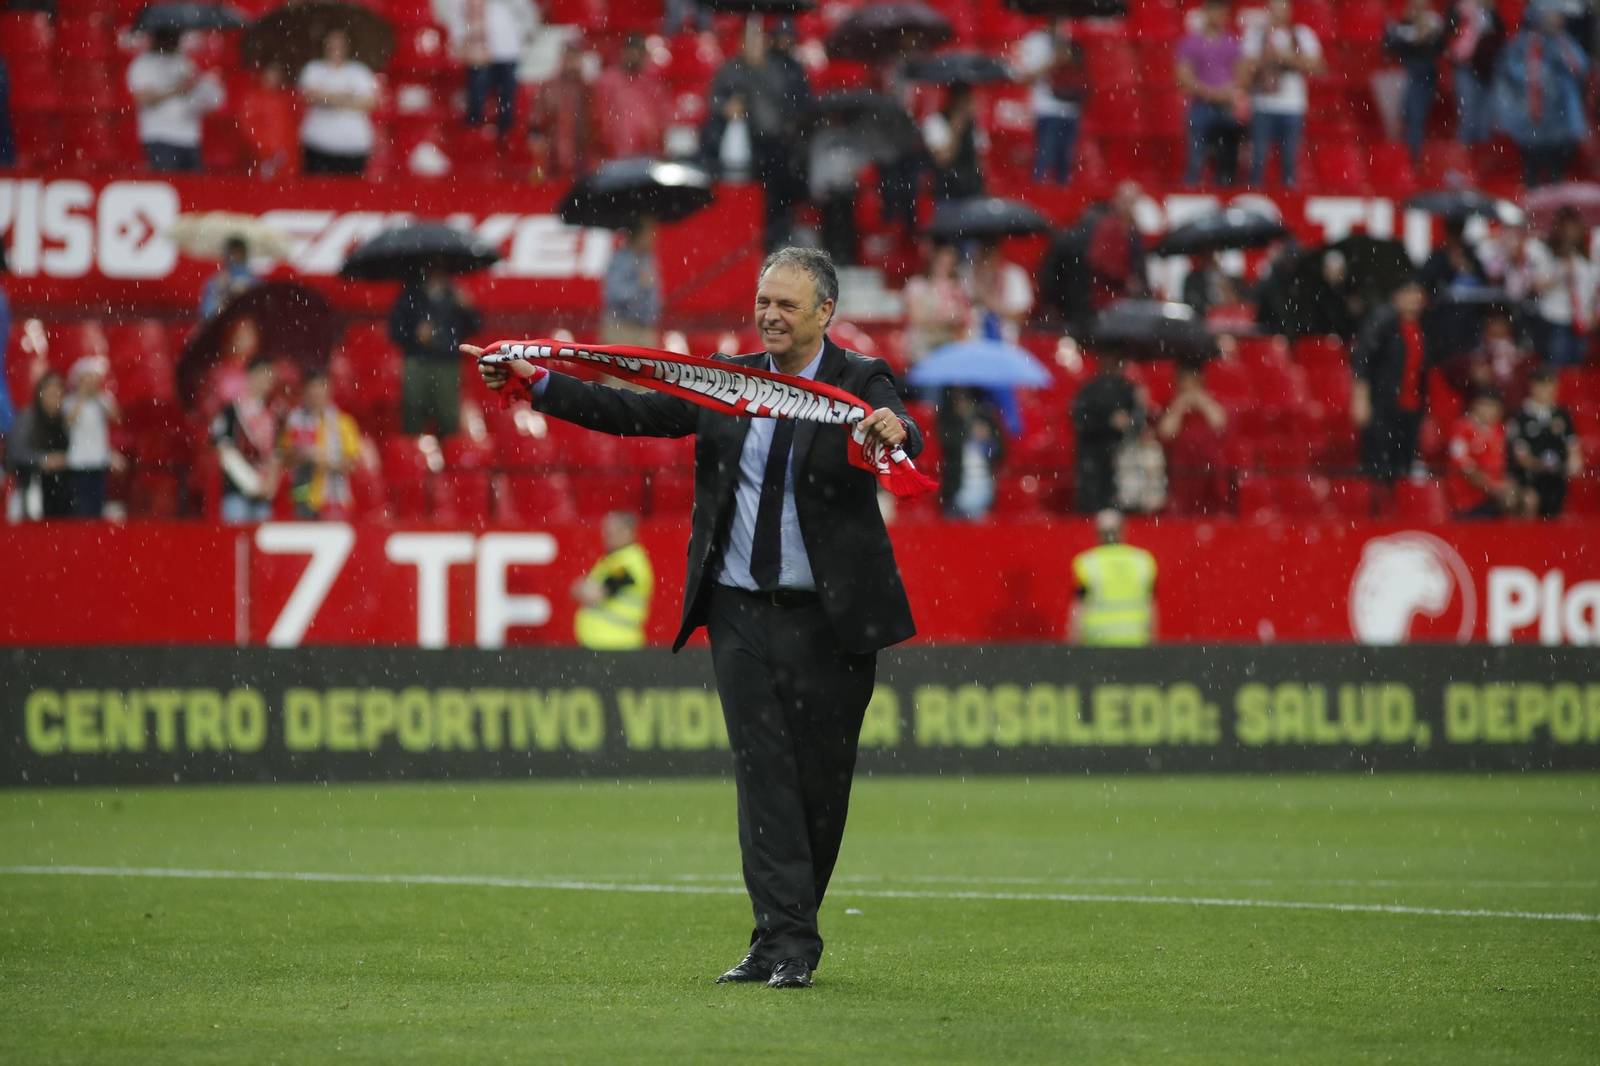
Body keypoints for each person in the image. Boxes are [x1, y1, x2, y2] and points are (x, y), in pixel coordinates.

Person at [471, 246, 922, 990]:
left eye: (786, 304)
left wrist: (892, 432)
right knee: (763, 775)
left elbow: (900, 426)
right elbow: (635, 410)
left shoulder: (857, 381)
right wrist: (538, 383)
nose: (769, 315)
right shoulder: (726, 379)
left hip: (830, 624)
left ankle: (782, 932)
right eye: (764, 301)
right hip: (739, 609)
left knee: (819, 787)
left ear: (825, 314)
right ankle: (786, 943)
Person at [707, 25, 804, 248]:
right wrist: (727, 107)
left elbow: (786, 100)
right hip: (746, 142)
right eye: (750, 41)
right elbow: (714, 100)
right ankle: (751, 242)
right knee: (751, 195)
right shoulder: (731, 69)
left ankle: (777, 239)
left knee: (779, 193)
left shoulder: (775, 67)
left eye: (758, 40)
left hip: (777, 141)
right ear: (741, 43)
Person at [1494, 2, 1589, 186]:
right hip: (1531, 117)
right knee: (1531, 164)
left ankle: (1554, 194)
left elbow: (1580, 67)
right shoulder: (1524, 42)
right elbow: (1509, 68)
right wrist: (1532, 75)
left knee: (1557, 167)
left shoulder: (1564, 42)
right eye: (1554, 16)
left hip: (1559, 118)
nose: (1558, 21)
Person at [1352, 278, 1433, 483]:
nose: (1413, 299)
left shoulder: (1424, 326)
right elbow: (1363, 360)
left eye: (1417, 293)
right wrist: (1360, 398)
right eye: (1407, 293)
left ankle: (1399, 508)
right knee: (1379, 462)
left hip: (1412, 404)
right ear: (1395, 297)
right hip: (1384, 402)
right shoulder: (1383, 322)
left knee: (1404, 462)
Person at [1241, 0, 1323, 187]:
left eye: (1282, 10)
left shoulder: (1301, 34)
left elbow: (1317, 65)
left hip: (1292, 105)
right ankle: (1255, 192)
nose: (1278, 14)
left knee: (1289, 158)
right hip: (1263, 103)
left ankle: (1289, 197)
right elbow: (1246, 66)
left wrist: (1286, 58)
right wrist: (1267, 60)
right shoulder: (1257, 34)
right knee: (1258, 157)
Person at [391, 268, 482, 436]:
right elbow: (395, 330)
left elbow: (475, 326)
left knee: (447, 415)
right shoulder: (410, 295)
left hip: (447, 362)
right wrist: (414, 334)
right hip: (418, 361)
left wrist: (468, 308)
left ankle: (447, 454)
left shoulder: (456, 295)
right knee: (413, 411)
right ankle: (415, 454)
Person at [126, 27, 224, 172]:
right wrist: (178, 90)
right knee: (168, 184)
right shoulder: (143, 64)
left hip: (190, 137)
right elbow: (143, 98)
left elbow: (195, 93)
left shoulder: (184, 62)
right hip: (161, 137)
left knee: (194, 189)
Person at [1176, 0, 1245, 186]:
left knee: (1228, 156)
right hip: (1201, 106)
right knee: (1195, 157)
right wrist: (1216, 93)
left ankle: (1224, 190)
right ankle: (1192, 189)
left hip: (1224, 107)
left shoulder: (1232, 42)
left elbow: (1242, 75)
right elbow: (1183, 78)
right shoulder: (1191, 42)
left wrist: (1225, 93)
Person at [444, 0, 536, 138]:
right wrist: (461, 38)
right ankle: (475, 136)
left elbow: (526, 12)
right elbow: (455, 13)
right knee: (477, 94)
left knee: (507, 100)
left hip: (508, 51)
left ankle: (505, 137)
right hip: (478, 49)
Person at [281, 370, 364, 520]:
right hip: (302, 495)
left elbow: (352, 463)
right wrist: (304, 457)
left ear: (329, 391)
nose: (316, 395)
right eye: (312, 390)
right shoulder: (295, 420)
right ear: (305, 392)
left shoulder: (343, 422)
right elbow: (285, 456)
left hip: (333, 497)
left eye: (320, 389)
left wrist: (327, 463)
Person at [1070, 509, 1156, 646]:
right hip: (1135, 642)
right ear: (1123, 530)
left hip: (1097, 643)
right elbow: (1151, 607)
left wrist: (1072, 647)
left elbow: (1078, 610)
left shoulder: (1086, 562)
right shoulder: (1143, 561)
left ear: (1097, 533)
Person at [298, 30, 378, 175]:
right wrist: (348, 97)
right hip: (318, 143)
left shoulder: (360, 71)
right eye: (331, 45)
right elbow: (310, 96)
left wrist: (328, 98)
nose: (335, 49)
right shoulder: (314, 68)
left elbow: (371, 102)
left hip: (353, 145)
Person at [572, 511, 655, 649]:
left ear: (628, 531)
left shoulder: (629, 563)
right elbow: (578, 591)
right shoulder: (613, 559)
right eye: (606, 531)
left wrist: (584, 589)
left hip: (616, 644)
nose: (607, 536)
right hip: (604, 644)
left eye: (613, 531)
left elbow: (594, 594)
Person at [1507, 365, 1583, 516]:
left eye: (1550, 385)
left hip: (1558, 478)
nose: (1547, 390)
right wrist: (1542, 466)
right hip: (1530, 479)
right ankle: (1526, 538)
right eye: (1542, 385)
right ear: (1532, 386)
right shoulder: (1521, 415)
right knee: (1530, 501)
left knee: (1559, 512)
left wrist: (1573, 464)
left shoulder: (1562, 414)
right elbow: (1520, 455)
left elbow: (1572, 446)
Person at [212, 356, 280, 524]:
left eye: (269, 378)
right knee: (236, 541)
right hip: (237, 491)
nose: (266, 383)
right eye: (263, 376)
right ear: (251, 376)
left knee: (260, 543)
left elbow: (276, 452)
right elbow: (224, 451)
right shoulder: (232, 410)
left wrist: (271, 481)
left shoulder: (274, 412)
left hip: (264, 494)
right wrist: (252, 483)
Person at [1527, 206, 1597, 366]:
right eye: (1567, 227)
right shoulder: (1544, 252)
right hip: (1555, 318)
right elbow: (1537, 285)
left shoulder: (1584, 257)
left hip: (1581, 322)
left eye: (1575, 227)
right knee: (1555, 366)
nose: (1571, 232)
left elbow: (1590, 288)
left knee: (1576, 368)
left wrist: (1593, 311)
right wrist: (1561, 271)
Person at [1017, 21, 1085, 185]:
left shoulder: (1072, 40)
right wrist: (1054, 62)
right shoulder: (1034, 41)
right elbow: (1026, 77)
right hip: (1047, 109)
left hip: (1071, 109)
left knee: (1065, 165)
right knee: (1043, 161)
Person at [1071, 354, 1140, 513]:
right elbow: (1080, 421)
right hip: (1094, 458)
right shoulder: (1089, 390)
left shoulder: (1128, 390)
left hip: (1122, 457)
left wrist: (1130, 421)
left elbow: (1139, 422)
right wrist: (1109, 422)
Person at [1157, 365, 1229, 514]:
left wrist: (1202, 402)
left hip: (1208, 465)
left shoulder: (1210, 403)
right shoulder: (1172, 405)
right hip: (1181, 468)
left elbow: (1220, 423)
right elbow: (1165, 432)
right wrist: (1179, 407)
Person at [1385, 0, 1446, 163]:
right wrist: (1411, 34)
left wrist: (1422, 36)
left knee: (1415, 116)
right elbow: (1388, 47)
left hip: (1422, 74)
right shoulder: (1402, 24)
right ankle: (1407, 158)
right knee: (1405, 115)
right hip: (1404, 74)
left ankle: (1413, 158)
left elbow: (1438, 48)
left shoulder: (1434, 23)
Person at [4, 372, 71, 520]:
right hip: (33, 487)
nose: (55, 395)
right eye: (51, 391)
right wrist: (43, 460)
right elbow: (14, 452)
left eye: (59, 391)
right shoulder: (28, 418)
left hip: (65, 491)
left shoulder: (68, 418)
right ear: (40, 394)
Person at [527, 42, 594, 181]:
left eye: (574, 58)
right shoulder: (549, 86)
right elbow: (537, 118)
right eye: (568, 58)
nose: (571, 63)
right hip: (554, 151)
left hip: (581, 151)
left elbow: (596, 121)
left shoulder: (588, 88)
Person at [62, 356, 120, 519]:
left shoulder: (102, 400)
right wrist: (81, 396)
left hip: (98, 462)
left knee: (97, 506)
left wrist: (98, 396)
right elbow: (69, 420)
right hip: (78, 462)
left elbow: (116, 417)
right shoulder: (70, 402)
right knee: (79, 506)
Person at [595, 34, 667, 161]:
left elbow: (660, 119)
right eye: (631, 52)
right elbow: (601, 120)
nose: (634, 57)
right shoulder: (608, 82)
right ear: (623, 53)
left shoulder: (652, 84)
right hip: (616, 156)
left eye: (638, 53)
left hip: (647, 155)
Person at [936, 387, 1004, 520]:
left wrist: (986, 438)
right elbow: (949, 445)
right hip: (955, 487)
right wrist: (966, 428)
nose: (962, 403)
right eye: (958, 399)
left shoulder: (985, 419)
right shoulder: (947, 420)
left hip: (982, 485)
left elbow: (999, 453)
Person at [1446, 389, 1515, 517]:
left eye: (1492, 406)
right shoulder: (1461, 429)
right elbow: (1462, 464)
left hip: (1494, 498)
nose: (1487, 411)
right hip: (1467, 499)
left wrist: (1508, 484)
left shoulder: (1503, 430)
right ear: (1474, 406)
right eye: (1484, 405)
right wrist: (1493, 486)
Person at [1447, 0, 1505, 148]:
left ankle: (1481, 157)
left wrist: (1490, 12)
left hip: (1486, 67)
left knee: (1485, 116)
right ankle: (1464, 157)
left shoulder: (1489, 10)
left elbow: (1500, 31)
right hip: (1465, 65)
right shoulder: (1457, 9)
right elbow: (1449, 31)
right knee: (1467, 112)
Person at [904, 243, 970, 364]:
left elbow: (964, 317)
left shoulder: (957, 287)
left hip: (949, 344)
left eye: (950, 263)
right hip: (924, 346)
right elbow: (916, 317)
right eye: (941, 262)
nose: (945, 267)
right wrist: (944, 318)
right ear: (933, 260)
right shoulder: (917, 285)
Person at [1086, 181, 1148, 310]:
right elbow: (1098, 261)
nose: (1130, 206)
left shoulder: (1132, 228)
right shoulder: (1110, 227)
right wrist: (1125, 279)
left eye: (1133, 202)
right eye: (1127, 201)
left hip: (1125, 297)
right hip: (1112, 298)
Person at [602, 220, 661, 348]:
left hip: (644, 329)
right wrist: (638, 287)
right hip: (622, 329)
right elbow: (613, 294)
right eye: (648, 234)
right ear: (636, 236)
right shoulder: (621, 259)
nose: (652, 239)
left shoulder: (648, 259)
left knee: (650, 367)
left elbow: (654, 294)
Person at [923, 82, 985, 203]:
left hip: (972, 192)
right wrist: (957, 127)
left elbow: (979, 161)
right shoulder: (936, 122)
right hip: (948, 193)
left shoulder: (974, 126)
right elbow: (943, 159)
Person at [238, 63, 298, 179]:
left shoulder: (286, 99)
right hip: (263, 157)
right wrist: (267, 150)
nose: (274, 80)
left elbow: (291, 128)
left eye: (277, 76)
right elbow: (249, 130)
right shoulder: (253, 99)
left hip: (286, 155)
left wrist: (285, 151)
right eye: (271, 76)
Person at [969, 241, 1034, 344]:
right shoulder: (970, 274)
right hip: (975, 341)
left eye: (990, 254)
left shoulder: (1015, 275)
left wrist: (990, 303)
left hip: (1008, 341)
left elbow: (1021, 314)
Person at [200, 236, 259, 320]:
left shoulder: (254, 282)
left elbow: (260, 312)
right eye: (232, 254)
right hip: (223, 325)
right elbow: (207, 314)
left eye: (239, 254)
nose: (235, 257)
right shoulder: (216, 281)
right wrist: (220, 294)